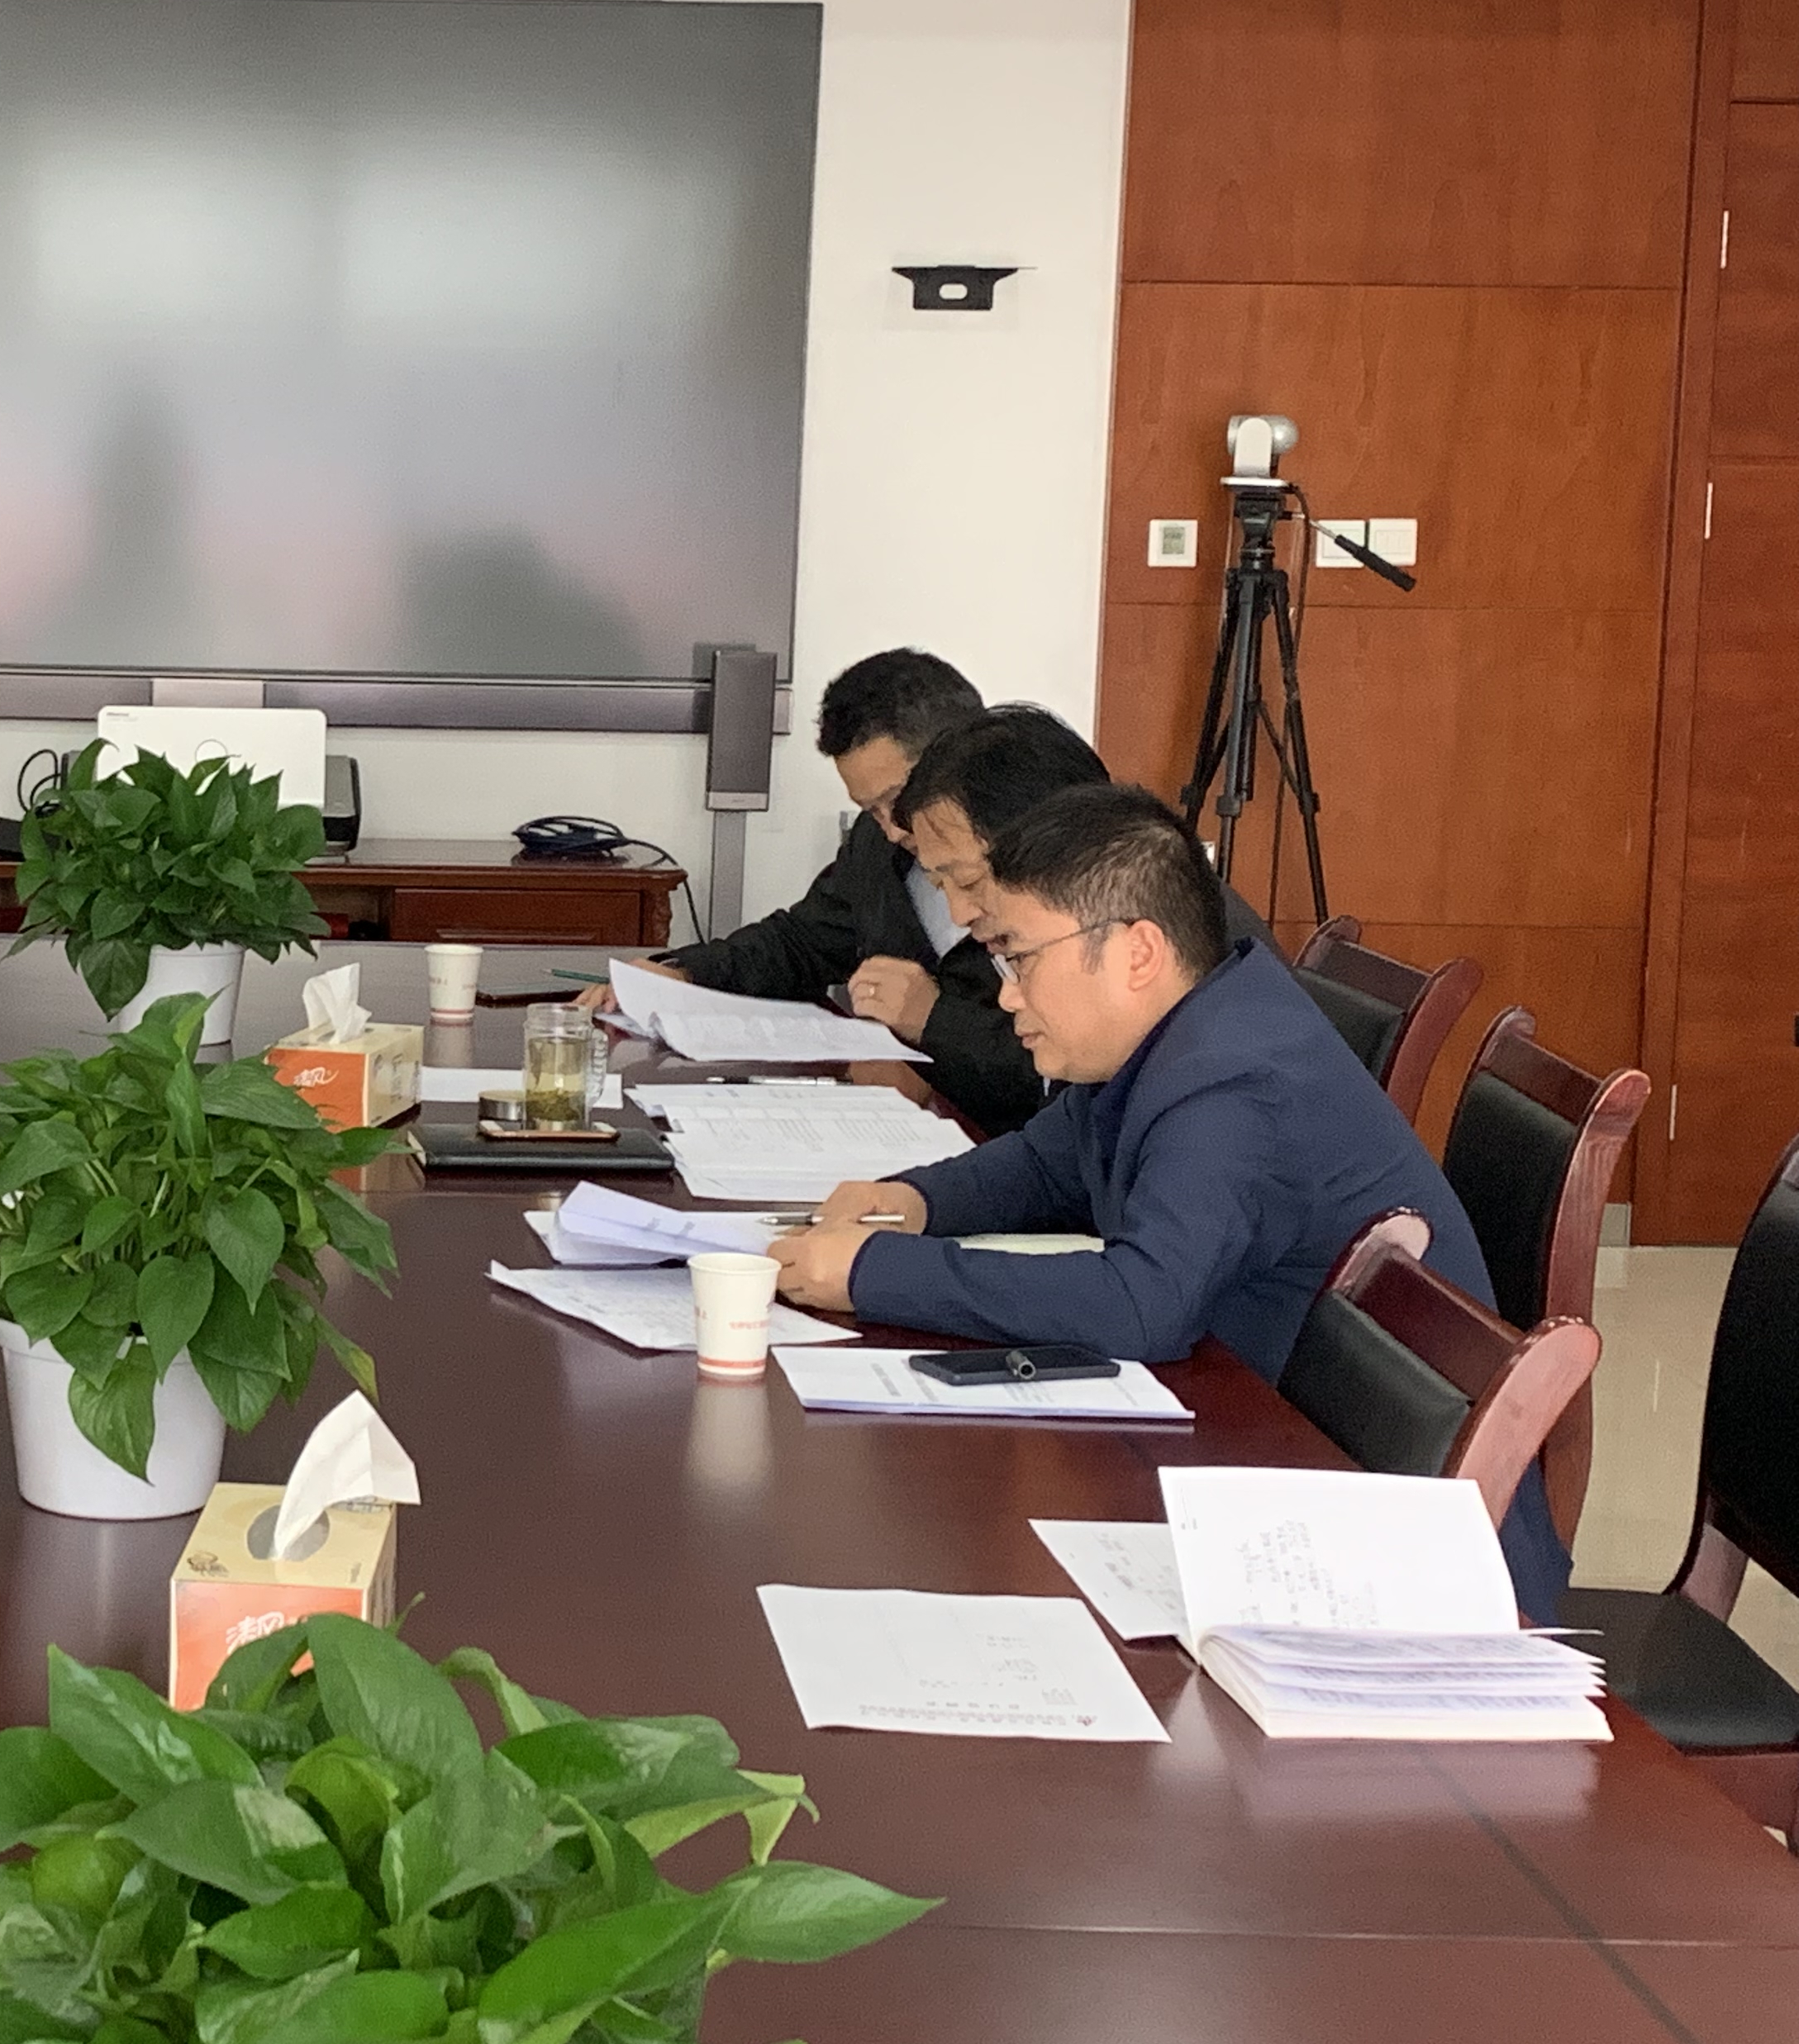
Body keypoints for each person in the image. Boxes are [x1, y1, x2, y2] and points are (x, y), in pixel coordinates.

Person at [763, 784, 1569, 1618]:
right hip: (1282, 1457)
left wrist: (875, 1274)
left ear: (1137, 953)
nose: (1006, 995)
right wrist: (911, 1202)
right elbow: (1050, 1163)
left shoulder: (1233, 1082)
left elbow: (1145, 1304)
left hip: (1397, 1566)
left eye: (1021, 959)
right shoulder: (1180, 1027)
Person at [630, 648, 1047, 1129]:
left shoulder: (1052, 866)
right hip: (893, 1124)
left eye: (898, 799)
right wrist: (684, 974)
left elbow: (1066, 1073)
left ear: (963, 759)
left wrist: (933, 1030)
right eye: (871, 809)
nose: (892, 828)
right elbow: (804, 942)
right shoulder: (878, 843)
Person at [896, 702, 1269, 955]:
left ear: (1057, 840)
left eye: (968, 881)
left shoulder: (1181, 961)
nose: (958, 915)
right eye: (939, 884)